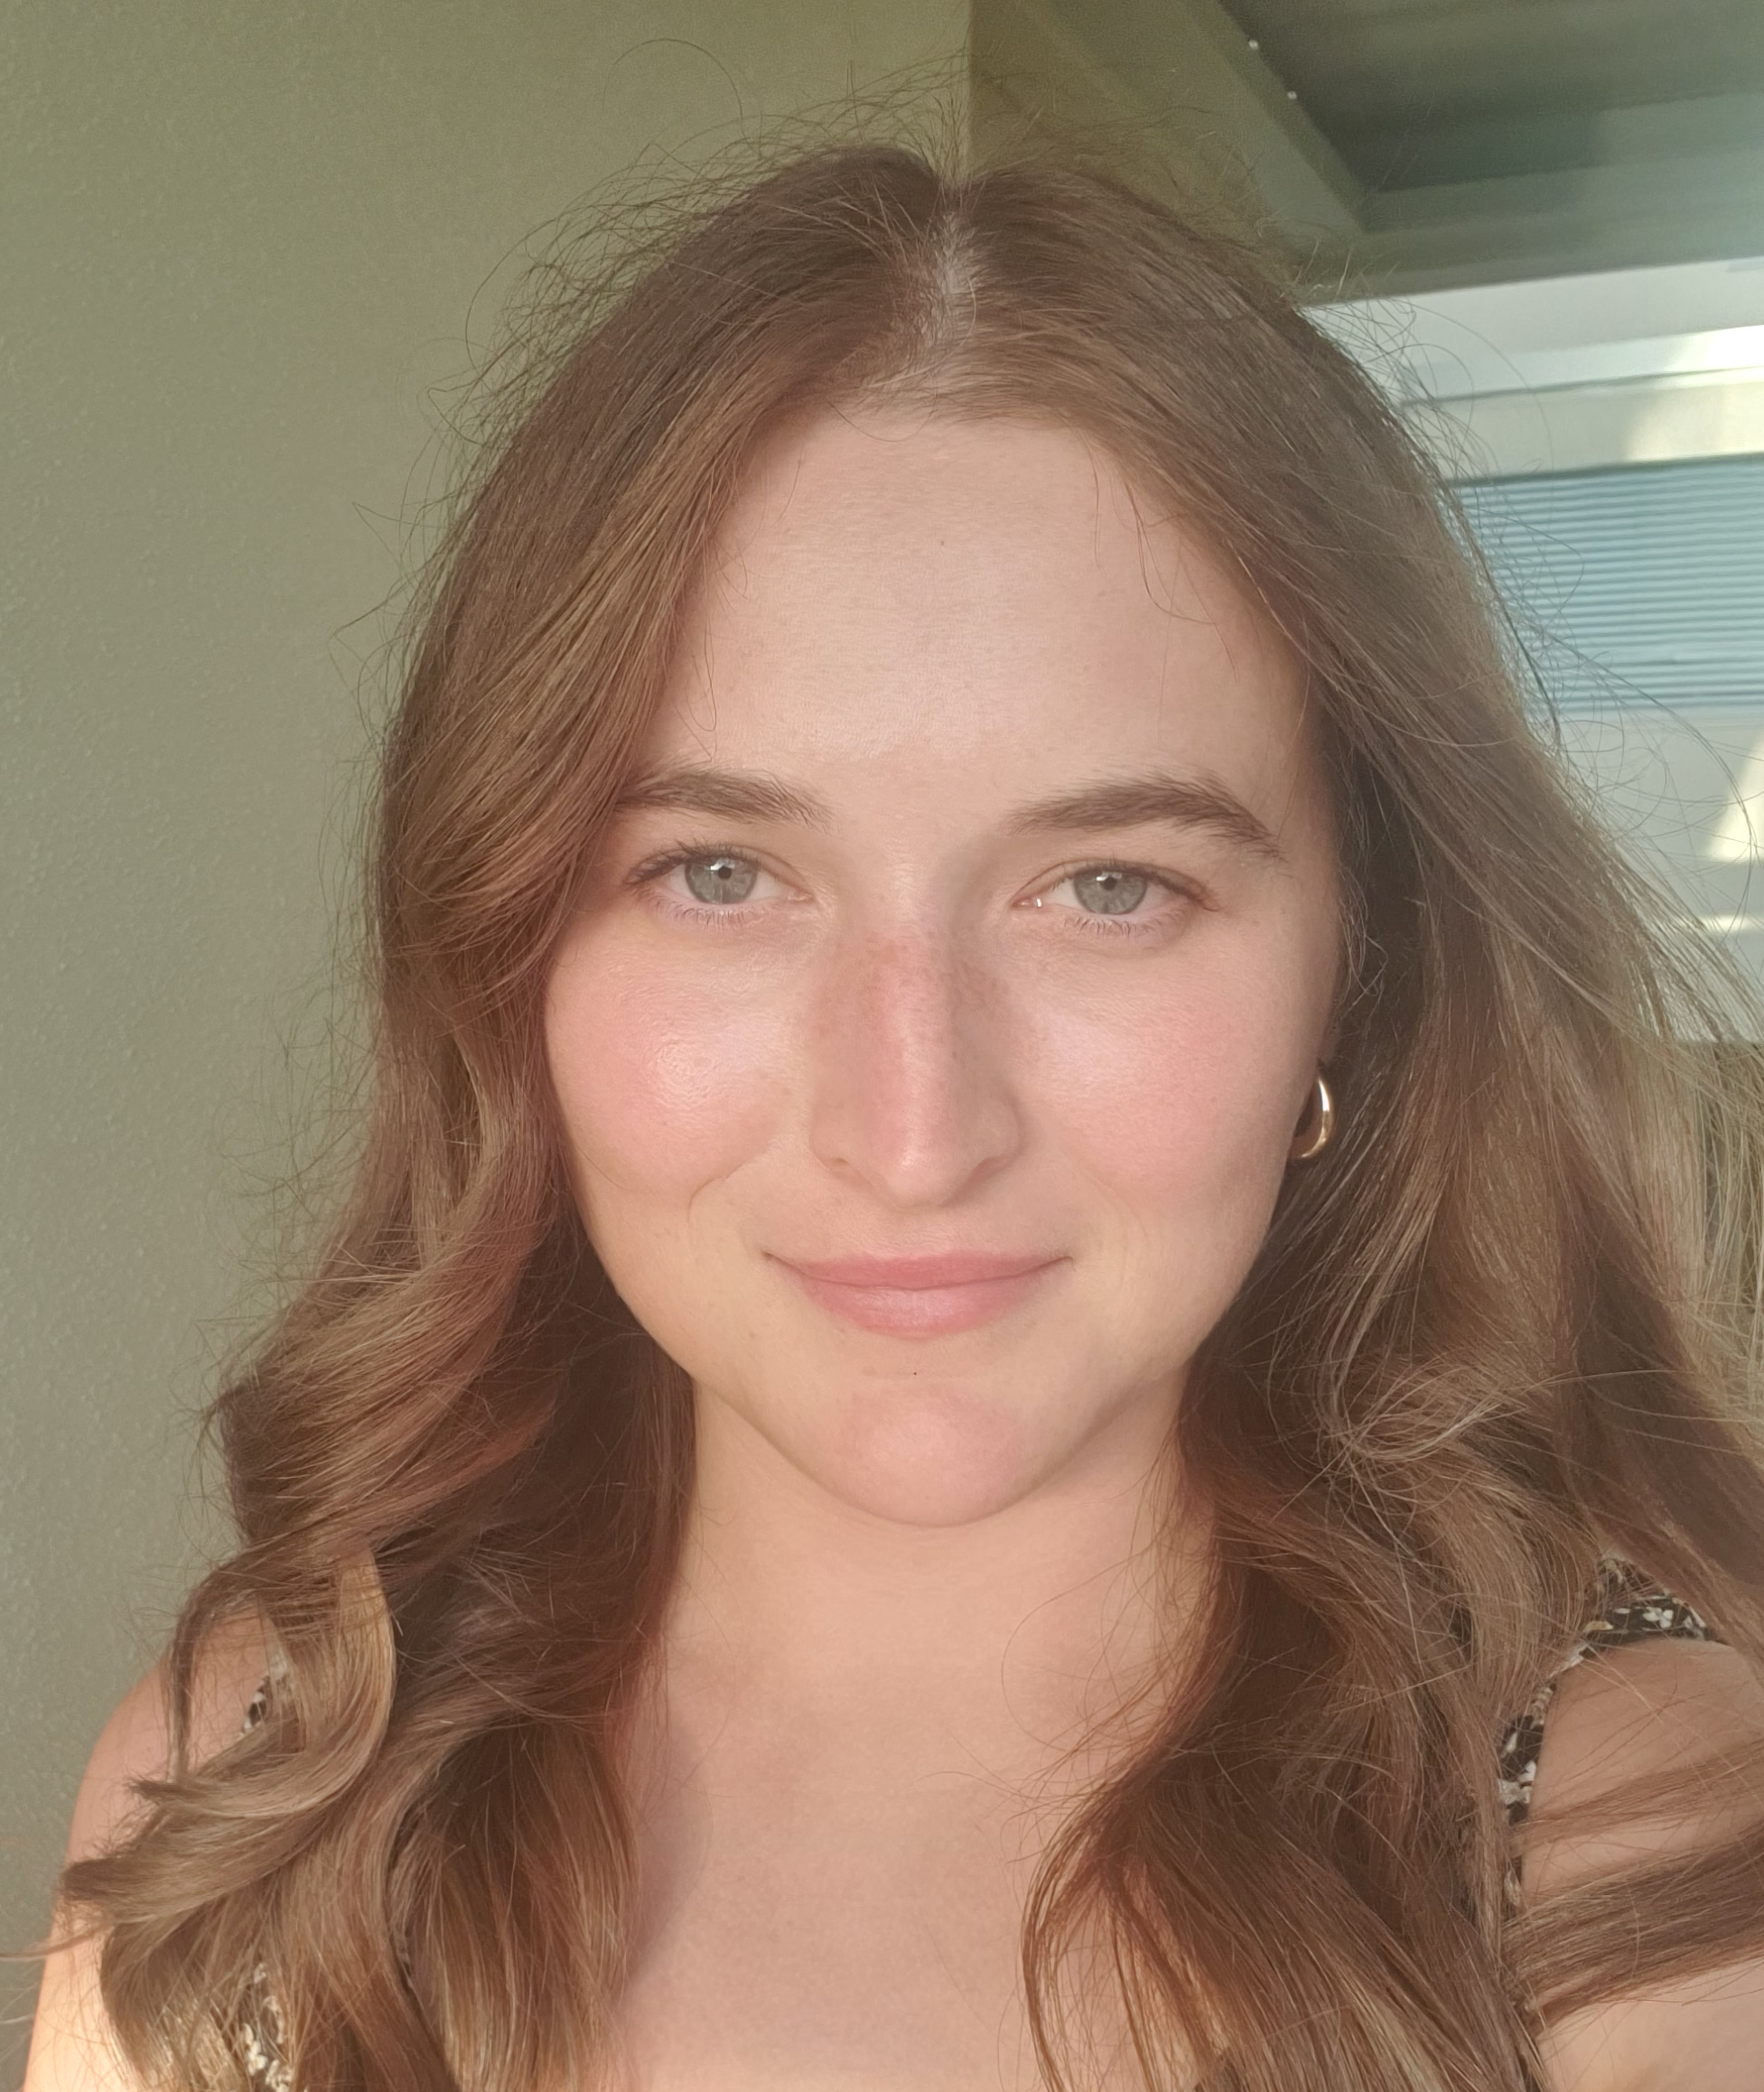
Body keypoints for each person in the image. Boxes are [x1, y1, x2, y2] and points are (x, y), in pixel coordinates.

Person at [23, 140, 1764, 2092]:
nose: (912, 1129)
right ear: (509, 958)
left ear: (1357, 967)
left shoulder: (1637, 1856)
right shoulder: (252, 1782)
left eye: (1109, 885)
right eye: (716, 874)